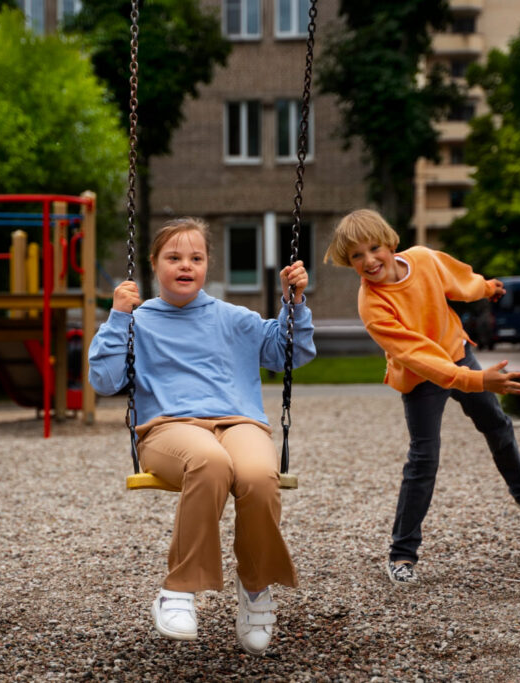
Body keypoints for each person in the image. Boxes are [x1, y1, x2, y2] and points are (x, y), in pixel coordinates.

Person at [88, 217, 315, 654]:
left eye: (196, 257)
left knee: (257, 473)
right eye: (174, 257)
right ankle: (178, 590)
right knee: (210, 462)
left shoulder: (233, 318)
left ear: (208, 263)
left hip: (238, 422)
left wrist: (295, 302)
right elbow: (105, 378)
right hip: (168, 428)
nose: (185, 265)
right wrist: (118, 317)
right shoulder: (139, 320)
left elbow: (291, 353)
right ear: (154, 264)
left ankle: (253, 589)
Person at [323, 208, 520, 588]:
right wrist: (476, 380)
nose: (368, 261)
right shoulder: (373, 304)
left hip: (457, 352)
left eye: (374, 248)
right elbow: (417, 356)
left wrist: (486, 287)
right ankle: (402, 553)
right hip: (419, 378)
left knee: (496, 423)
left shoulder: (424, 260)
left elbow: (460, 282)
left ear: (391, 242)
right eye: (356, 257)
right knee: (423, 458)